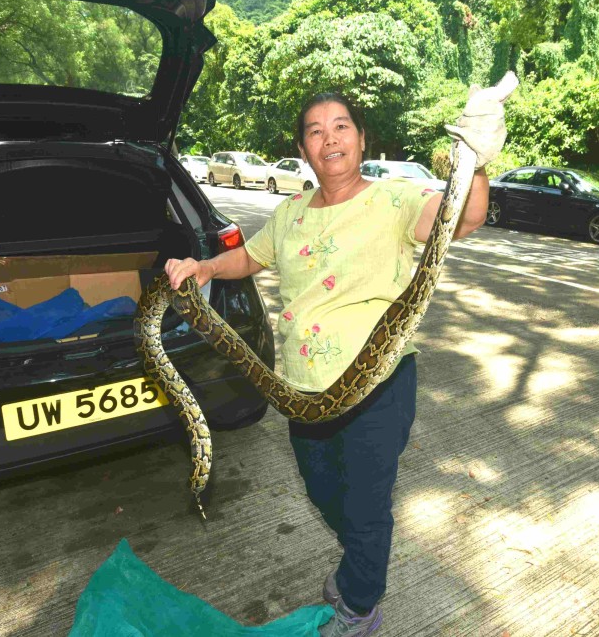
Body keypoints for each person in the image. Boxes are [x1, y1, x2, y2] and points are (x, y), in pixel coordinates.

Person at [165, 86, 509, 636]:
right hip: (300, 391)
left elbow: (462, 217)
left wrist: (478, 160)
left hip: (380, 387)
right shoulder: (291, 212)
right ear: (303, 148)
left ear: (361, 137)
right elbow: (249, 257)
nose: (330, 138)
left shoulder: (394, 199)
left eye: (341, 126)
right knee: (324, 493)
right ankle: (360, 566)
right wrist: (204, 268)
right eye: (316, 130)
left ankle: (360, 604)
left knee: (368, 506)